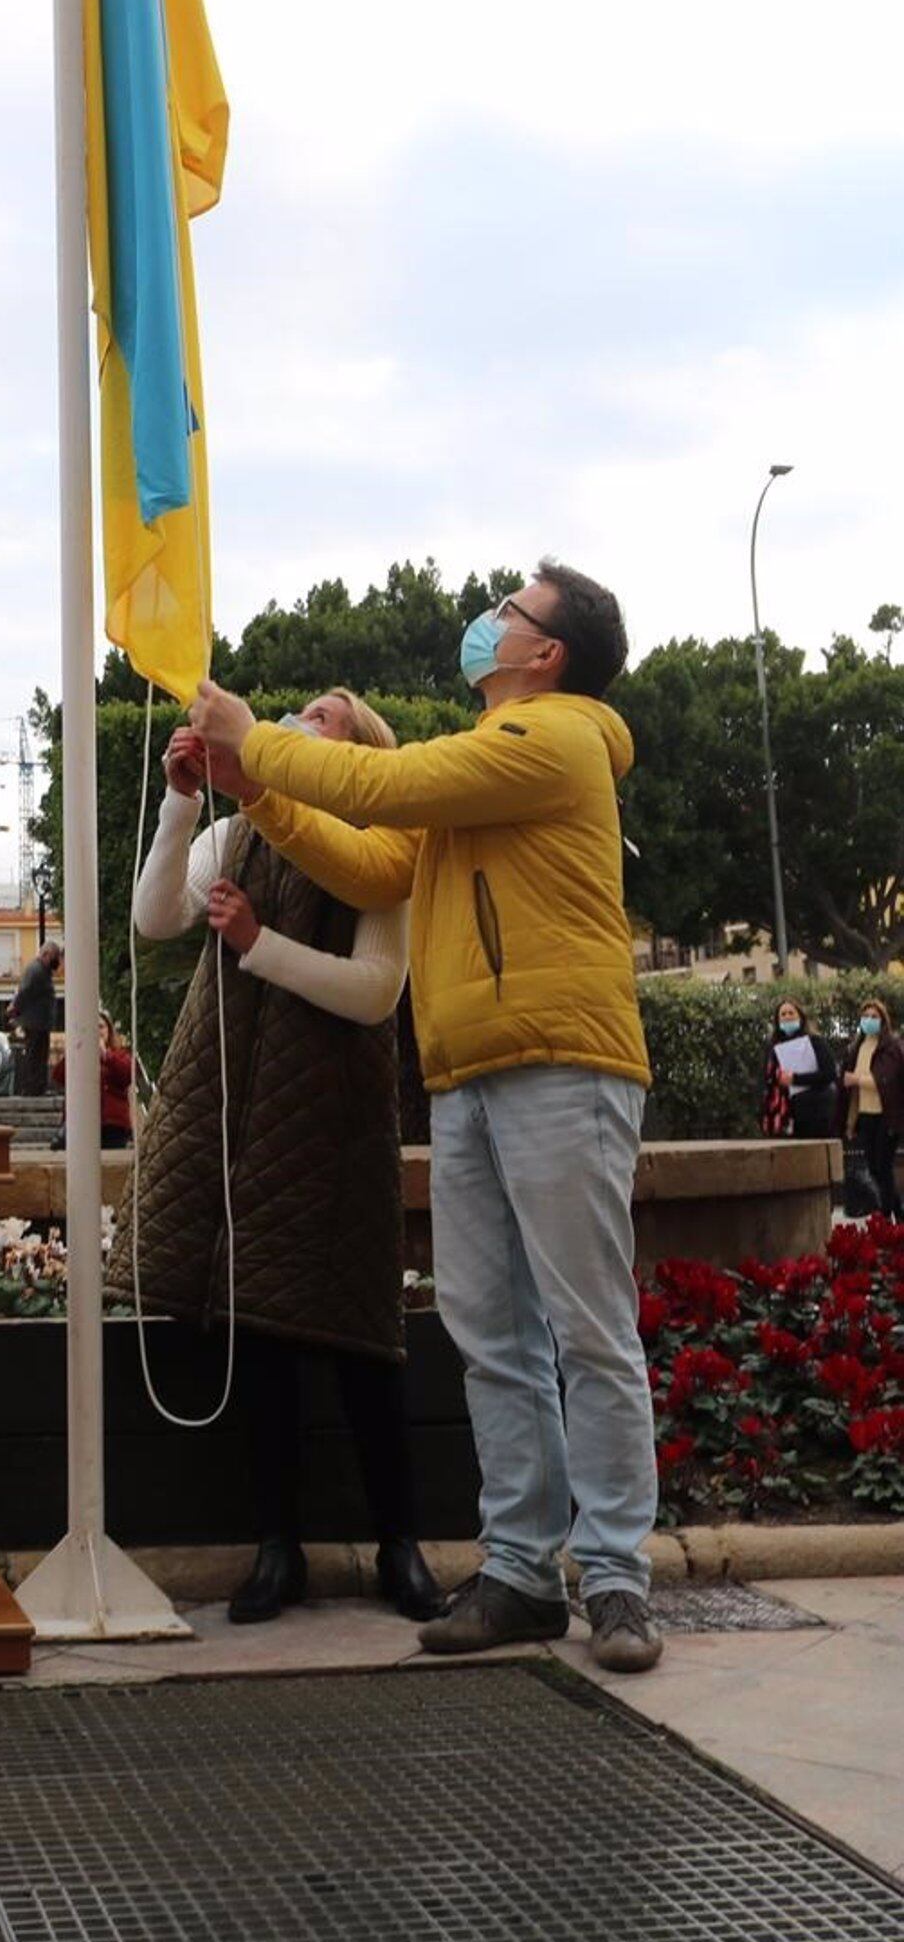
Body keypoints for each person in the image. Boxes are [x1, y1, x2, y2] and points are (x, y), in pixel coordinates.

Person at [190, 561, 663, 1676]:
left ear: (544, 653)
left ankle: (615, 1579)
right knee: (492, 1336)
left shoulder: (553, 740)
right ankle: (517, 1572)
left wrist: (256, 738)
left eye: (510, 610)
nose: (488, 622)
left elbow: (390, 791)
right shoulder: (476, 773)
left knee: (588, 1330)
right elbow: (372, 855)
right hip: (466, 1074)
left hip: (562, 1059)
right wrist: (257, 792)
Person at [108, 692, 444, 1629]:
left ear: (359, 750)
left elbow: (377, 992)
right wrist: (182, 802)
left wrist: (259, 944)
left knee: (362, 1332)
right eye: (299, 708)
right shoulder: (243, 827)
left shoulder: (383, 843)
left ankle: (400, 1544)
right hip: (236, 1103)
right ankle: (277, 1548)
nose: (302, 718)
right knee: (253, 1326)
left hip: (333, 1110)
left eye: (326, 717)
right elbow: (156, 918)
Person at [840, 995, 904, 1222]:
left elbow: (882, 1079)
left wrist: (856, 1079)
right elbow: (853, 1091)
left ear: (883, 1020)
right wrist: (850, 1122)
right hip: (865, 1116)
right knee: (875, 1169)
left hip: (887, 1116)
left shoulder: (890, 1047)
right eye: (865, 1016)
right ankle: (896, 1215)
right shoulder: (856, 1048)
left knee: (883, 1167)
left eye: (874, 1016)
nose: (869, 1020)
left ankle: (886, 1217)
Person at [759, 994, 837, 1143]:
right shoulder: (773, 1048)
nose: (787, 1017)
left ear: (800, 1017)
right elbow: (767, 1078)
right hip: (786, 1112)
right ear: (778, 1020)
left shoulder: (815, 1041)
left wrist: (795, 1079)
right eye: (783, 1014)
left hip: (815, 1109)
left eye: (791, 1013)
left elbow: (829, 1073)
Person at [53, 1015, 135, 1150]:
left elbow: (127, 1074)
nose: (97, 1031)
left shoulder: (119, 1054)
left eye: (101, 1027)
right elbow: (59, 1076)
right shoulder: (78, 1054)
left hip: (111, 1124)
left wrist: (105, 1055)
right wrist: (74, 1051)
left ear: (109, 1030)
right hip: (81, 1121)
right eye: (92, 1028)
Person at [9, 939, 64, 1096]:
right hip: (35, 1021)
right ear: (46, 954)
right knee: (35, 1055)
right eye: (55, 957)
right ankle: (32, 1088)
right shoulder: (36, 970)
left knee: (40, 1055)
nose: (57, 961)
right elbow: (24, 991)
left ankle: (38, 1087)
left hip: (40, 1021)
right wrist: (15, 1008)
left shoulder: (42, 970)